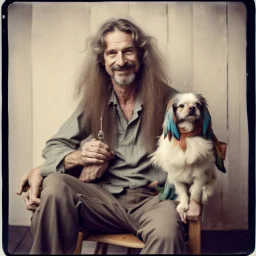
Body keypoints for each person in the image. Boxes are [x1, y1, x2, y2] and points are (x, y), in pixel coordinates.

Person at [17, 18, 201, 254]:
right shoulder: (96, 100)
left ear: (141, 56)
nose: (120, 61)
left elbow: (201, 155)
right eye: (112, 53)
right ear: (102, 61)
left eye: (128, 51)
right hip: (103, 199)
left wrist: (192, 197)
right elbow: (55, 145)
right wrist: (79, 156)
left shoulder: (174, 103)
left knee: (167, 232)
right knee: (55, 185)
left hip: (154, 201)